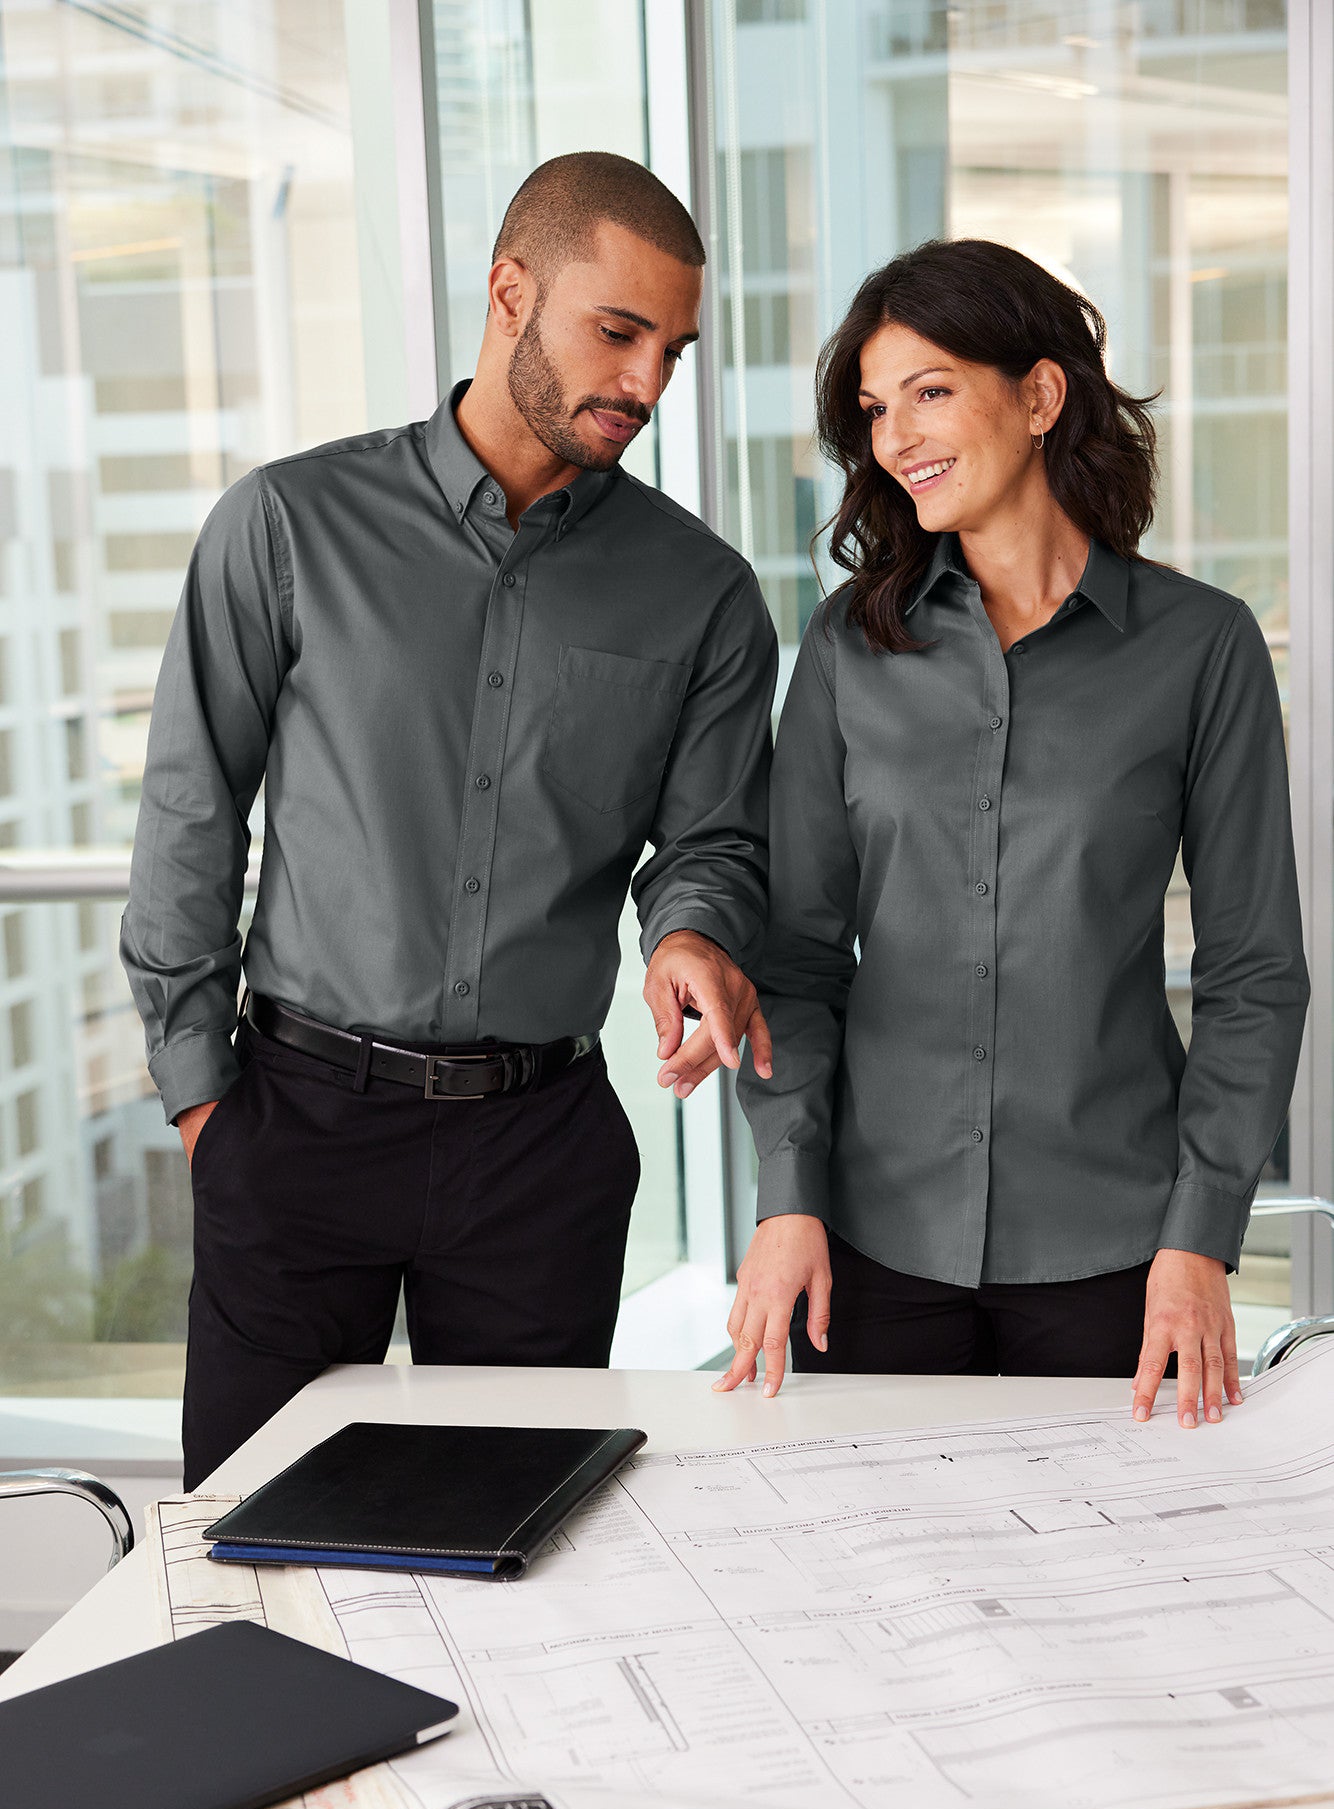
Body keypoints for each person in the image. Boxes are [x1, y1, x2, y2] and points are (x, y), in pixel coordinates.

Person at [122, 152, 778, 1489]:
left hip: (536, 1153)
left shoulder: (700, 595)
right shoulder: (290, 525)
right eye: (618, 332)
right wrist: (205, 1106)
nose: (647, 385)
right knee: (256, 1545)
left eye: (673, 349)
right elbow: (194, 808)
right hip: (294, 1125)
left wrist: (689, 937)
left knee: (513, 1553)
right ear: (508, 290)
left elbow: (706, 842)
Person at [710, 237, 1308, 1424]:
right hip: (868, 1244)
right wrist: (788, 1196)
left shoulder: (1199, 648)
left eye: (930, 391)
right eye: (877, 408)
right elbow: (797, 958)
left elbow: (1252, 974)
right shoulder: (845, 648)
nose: (896, 437)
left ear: (1038, 395)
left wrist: (1198, 1237)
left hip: (1119, 1255)